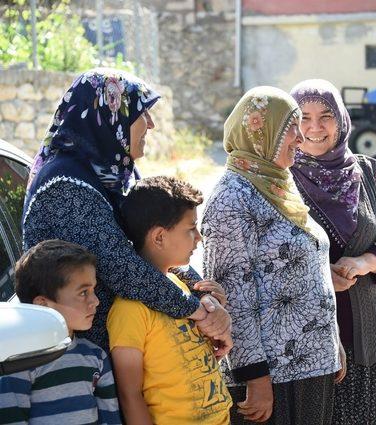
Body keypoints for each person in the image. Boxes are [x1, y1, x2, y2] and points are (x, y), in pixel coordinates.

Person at [22, 68, 229, 352]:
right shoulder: (65, 185)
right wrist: (199, 312)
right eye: (141, 114)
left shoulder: (112, 173)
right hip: (83, 366)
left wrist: (201, 292)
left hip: (123, 347)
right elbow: (122, 267)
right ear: (110, 118)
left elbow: (154, 242)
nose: (152, 124)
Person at [201, 86, 341, 424]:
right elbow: (232, 295)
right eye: (291, 127)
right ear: (262, 133)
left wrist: (331, 341)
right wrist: (255, 378)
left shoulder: (278, 185)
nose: (300, 138)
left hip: (310, 363)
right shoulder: (233, 198)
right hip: (273, 374)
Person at [289, 79, 376, 425]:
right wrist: (319, 276)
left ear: (341, 119)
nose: (314, 127)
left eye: (325, 116)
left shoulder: (366, 172)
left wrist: (363, 262)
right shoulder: (280, 178)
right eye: (303, 117)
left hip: (365, 336)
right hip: (305, 340)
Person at [107, 176, 232, 424]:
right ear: (159, 237)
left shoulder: (182, 286)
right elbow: (129, 394)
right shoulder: (129, 309)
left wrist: (217, 317)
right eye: (190, 229)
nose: (199, 237)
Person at [0, 239, 120, 424]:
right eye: (83, 293)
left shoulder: (96, 356)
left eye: (93, 290)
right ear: (43, 304)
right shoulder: (17, 363)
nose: (95, 301)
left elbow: (110, 417)